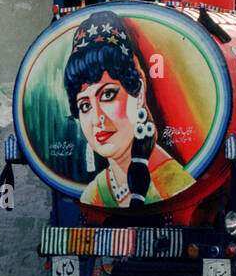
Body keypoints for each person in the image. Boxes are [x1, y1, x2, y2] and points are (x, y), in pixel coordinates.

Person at [63, 10, 194, 207]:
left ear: (139, 93)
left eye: (107, 95)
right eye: (85, 105)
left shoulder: (174, 186)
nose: (98, 117)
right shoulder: (94, 193)